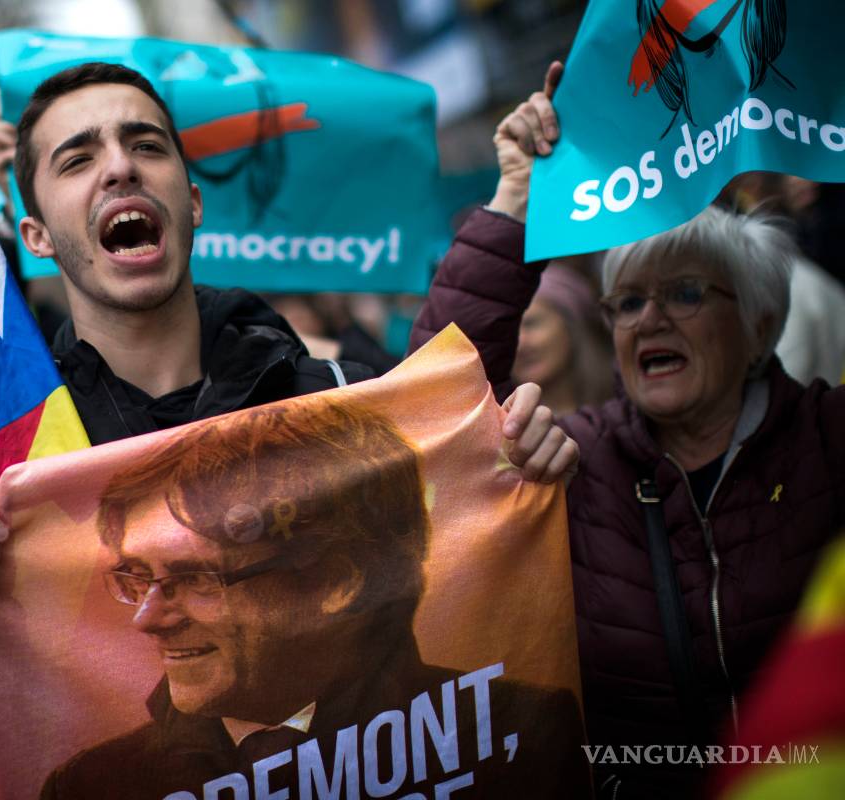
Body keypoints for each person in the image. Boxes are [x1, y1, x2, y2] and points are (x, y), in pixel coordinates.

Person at [0, 62, 581, 798]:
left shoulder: (327, 397)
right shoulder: (22, 475)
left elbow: (438, 407)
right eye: (77, 159)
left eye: (146, 145)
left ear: (193, 201)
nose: (118, 169)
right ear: (35, 233)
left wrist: (514, 461)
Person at [409, 62, 845, 798]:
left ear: (760, 324)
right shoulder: (574, 467)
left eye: (682, 293)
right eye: (628, 302)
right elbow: (431, 404)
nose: (650, 319)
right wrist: (517, 195)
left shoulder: (830, 439)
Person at [41, 397, 590, 799]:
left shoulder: (513, 732)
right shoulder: (93, 786)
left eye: (196, 578)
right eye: (135, 577)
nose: (147, 618)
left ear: (336, 581)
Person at [511, 261, 614, 415]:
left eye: (531, 324)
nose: (520, 344)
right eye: (509, 332)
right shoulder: (496, 426)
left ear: (571, 326)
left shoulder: (627, 411)